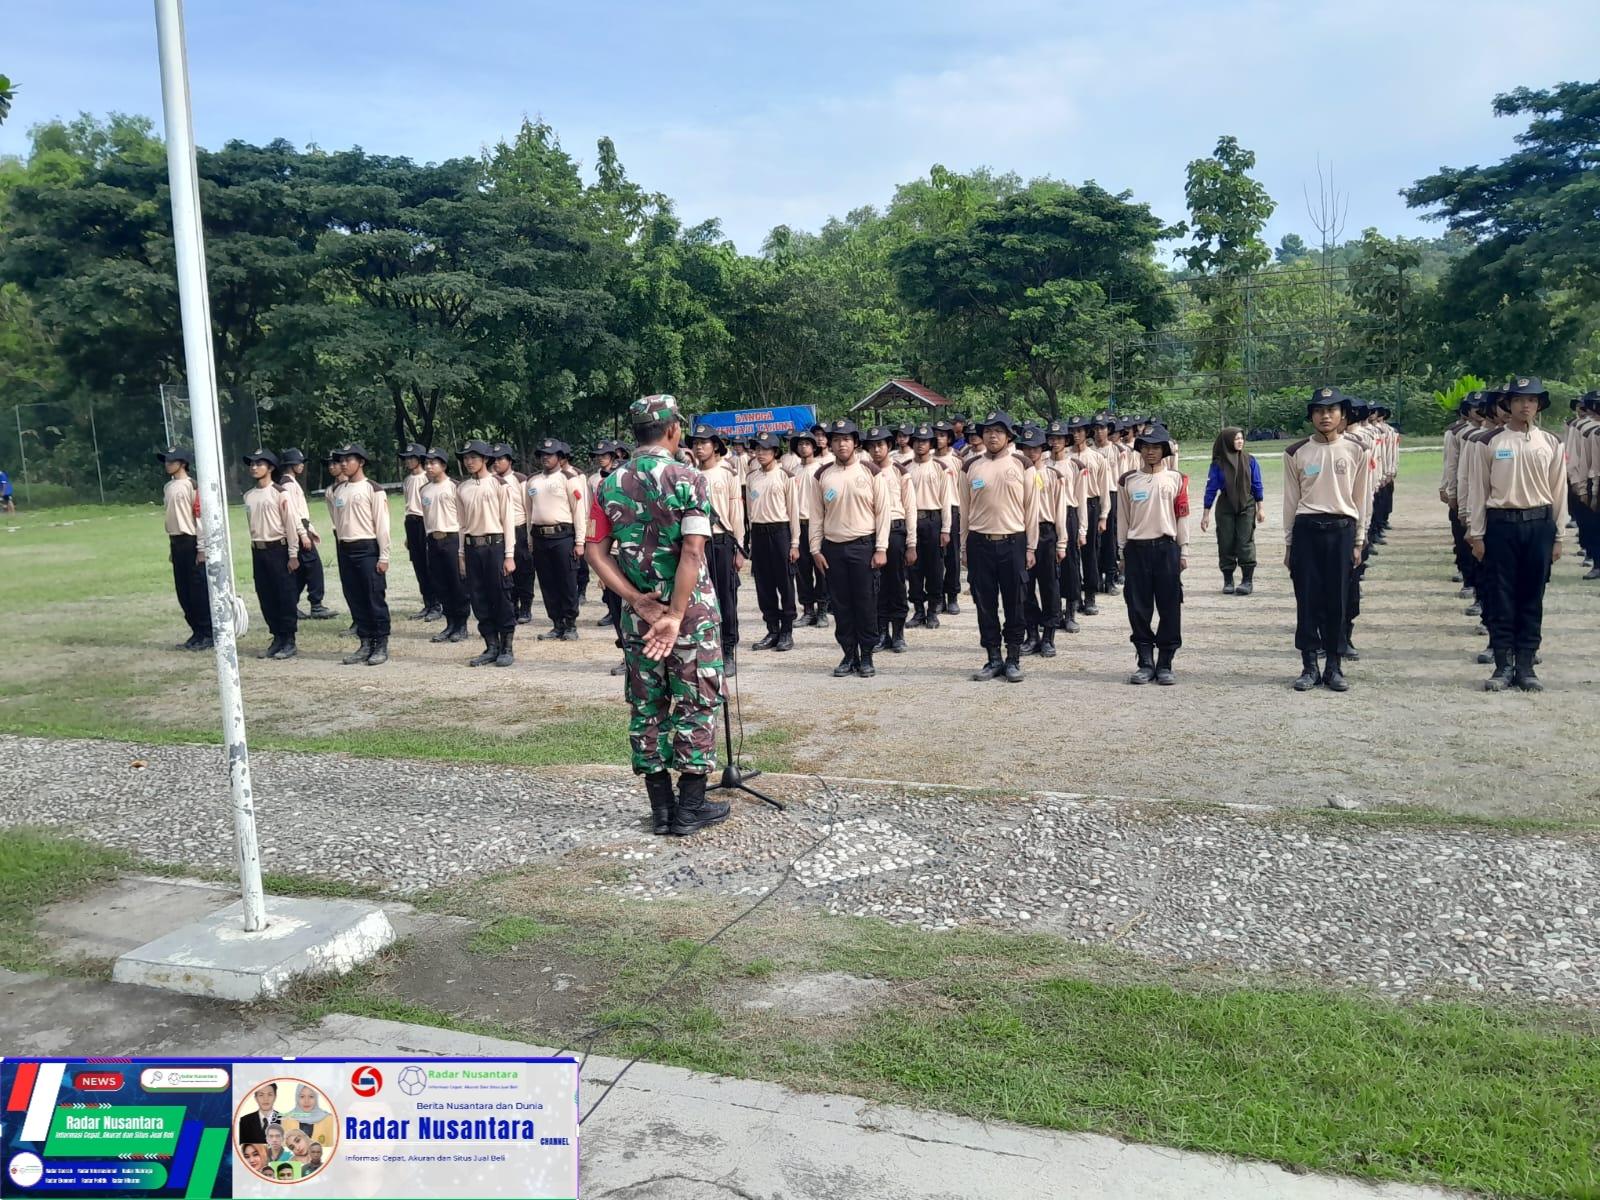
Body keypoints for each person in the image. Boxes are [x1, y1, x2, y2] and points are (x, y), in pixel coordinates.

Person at [585, 393, 729, 838]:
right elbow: (691, 551)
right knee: (696, 701)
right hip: (690, 618)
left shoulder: (608, 484)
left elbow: (594, 550)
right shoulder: (689, 479)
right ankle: (690, 807)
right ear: (672, 430)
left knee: (647, 705)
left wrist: (636, 600)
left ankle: (662, 809)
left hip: (639, 619)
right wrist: (675, 614)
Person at [1465, 376, 1567, 691]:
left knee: (1531, 597)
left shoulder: (1551, 442)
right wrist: (1477, 533)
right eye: (1520, 400)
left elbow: (1558, 491)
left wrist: (1559, 536)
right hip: (1500, 525)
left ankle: (1526, 665)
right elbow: (1477, 491)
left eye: (1532, 400)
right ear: (1507, 404)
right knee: (1500, 596)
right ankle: (1501, 665)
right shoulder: (1489, 442)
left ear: (1539, 405)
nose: (1526, 405)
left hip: (1539, 524)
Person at [1283, 388, 1371, 693]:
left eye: (1332, 410)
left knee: (1338, 598)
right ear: (1311, 416)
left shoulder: (1357, 450)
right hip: (1307, 529)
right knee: (1307, 599)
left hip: (1342, 529)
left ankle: (1334, 666)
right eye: (1319, 411)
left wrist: (1359, 540)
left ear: (1342, 415)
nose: (1325, 416)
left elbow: (1361, 499)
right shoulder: (1296, 452)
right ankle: (1309, 665)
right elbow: (1291, 502)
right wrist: (1289, 544)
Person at [810, 419, 892, 678]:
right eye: (835, 439)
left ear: (856, 443)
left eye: (846, 439)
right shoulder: (822, 474)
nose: (841, 443)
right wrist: (815, 549)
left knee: (866, 603)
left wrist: (881, 548)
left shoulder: (870, 471)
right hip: (833, 549)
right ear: (830, 445)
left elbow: (883, 512)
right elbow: (816, 515)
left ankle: (866, 656)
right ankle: (848, 654)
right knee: (841, 605)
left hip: (864, 546)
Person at [962, 410, 1038, 682]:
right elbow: (965, 509)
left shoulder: (1023, 464)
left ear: (1008, 436)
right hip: (980, 542)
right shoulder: (970, 466)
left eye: (998, 431)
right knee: (985, 603)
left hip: (1013, 542)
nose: (992, 436)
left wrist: (1031, 547)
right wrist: (963, 547)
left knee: (1015, 602)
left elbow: (1032, 509)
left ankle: (1013, 658)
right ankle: (993, 657)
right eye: (987, 431)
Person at [1118, 424, 1188, 684]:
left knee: (1170, 606)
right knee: (1138, 607)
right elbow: (1123, 519)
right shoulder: (1128, 480)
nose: (1150, 452)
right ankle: (1145, 660)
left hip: (1166, 547)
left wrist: (1184, 550)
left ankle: (1166, 661)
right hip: (1137, 549)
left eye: (1156, 447)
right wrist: (1122, 551)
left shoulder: (1176, 479)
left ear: (1165, 450)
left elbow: (1182, 517)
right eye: (1146, 446)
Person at [328, 445, 392, 665]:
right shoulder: (338, 490)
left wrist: (383, 556)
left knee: (373, 596)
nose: (344, 464)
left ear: (361, 462)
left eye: (349, 460)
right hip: (346, 549)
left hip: (367, 548)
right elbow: (337, 522)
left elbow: (382, 525)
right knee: (354, 597)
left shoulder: (372, 489)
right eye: (341, 460)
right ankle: (365, 642)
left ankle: (381, 643)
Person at [456, 440, 517, 667]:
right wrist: (461, 554)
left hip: (495, 546)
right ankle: (490, 646)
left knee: (500, 596)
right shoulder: (461, 488)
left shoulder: (499, 485)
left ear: (485, 459)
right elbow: (461, 525)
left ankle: (506, 646)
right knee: (479, 598)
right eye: (465, 458)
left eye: (473, 457)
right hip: (473, 548)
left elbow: (507, 521)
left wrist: (509, 555)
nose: (469, 462)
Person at [690, 424, 745, 670]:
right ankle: (706, 645)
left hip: (722, 541)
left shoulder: (727, 474)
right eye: (695, 443)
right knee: (700, 597)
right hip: (697, 543)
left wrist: (739, 548)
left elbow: (736, 512)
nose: (699, 447)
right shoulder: (690, 475)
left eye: (704, 443)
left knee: (726, 597)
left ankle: (729, 648)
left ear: (715, 446)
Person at [744, 431, 800, 652]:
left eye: (765, 449)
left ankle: (787, 630)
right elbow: (749, 512)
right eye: (757, 449)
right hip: (759, 533)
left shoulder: (785, 476)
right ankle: (772, 628)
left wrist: (794, 543)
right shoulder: (751, 477)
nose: (760, 453)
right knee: (763, 585)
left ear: (775, 452)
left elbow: (793, 512)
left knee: (784, 583)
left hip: (780, 532)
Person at [242, 449, 299, 661]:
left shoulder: (280, 492)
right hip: (259, 549)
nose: (254, 467)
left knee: (283, 594)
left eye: (259, 463)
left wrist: (293, 554)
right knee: (265, 595)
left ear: (271, 467)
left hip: (278, 547)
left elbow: (290, 524)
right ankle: (276, 635)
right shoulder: (249, 496)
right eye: (252, 464)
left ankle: (289, 638)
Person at [526, 438, 586, 642]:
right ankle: (556, 623)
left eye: (550, 455)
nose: (545, 458)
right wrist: (529, 539)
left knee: (567, 581)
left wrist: (579, 542)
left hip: (563, 537)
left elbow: (578, 511)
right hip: (540, 537)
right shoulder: (532, 481)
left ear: (560, 458)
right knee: (547, 583)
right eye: (542, 454)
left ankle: (570, 624)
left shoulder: (569, 479)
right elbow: (529, 512)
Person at [863, 425, 916, 653]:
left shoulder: (900, 472)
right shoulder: (863, 471)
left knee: (895, 584)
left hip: (895, 532)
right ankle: (881, 632)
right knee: (875, 585)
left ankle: (898, 633)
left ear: (889, 447)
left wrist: (911, 543)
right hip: (871, 533)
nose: (876, 450)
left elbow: (910, 508)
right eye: (872, 446)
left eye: (881, 445)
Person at [1017, 423, 1066, 657]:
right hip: (1022, 534)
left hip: (1046, 534)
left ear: (1042, 449)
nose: (1030, 453)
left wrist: (1062, 543)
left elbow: (1060, 510)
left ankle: (1048, 636)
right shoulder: (1016, 474)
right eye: (1026, 448)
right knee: (1023, 587)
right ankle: (1032, 634)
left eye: (1035, 448)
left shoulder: (1052, 475)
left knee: (1049, 587)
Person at [158, 445, 212, 651]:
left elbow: (198, 517)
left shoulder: (192, 486)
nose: (167, 464)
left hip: (190, 540)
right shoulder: (168, 487)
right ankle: (196, 631)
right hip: (176, 540)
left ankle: (207, 632)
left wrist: (201, 548)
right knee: (184, 591)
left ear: (182, 464)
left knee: (197, 589)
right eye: (166, 461)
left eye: (171, 461)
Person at [1201, 427, 1265, 594]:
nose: (1240, 441)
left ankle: (1247, 580)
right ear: (1227, 441)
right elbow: (1211, 488)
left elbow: (1257, 484)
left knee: (1245, 541)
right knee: (1226, 541)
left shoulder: (1250, 460)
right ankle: (1228, 579)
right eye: (1236, 438)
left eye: (1241, 438)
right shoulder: (1218, 464)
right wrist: (1205, 514)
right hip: (1225, 505)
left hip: (1247, 503)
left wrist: (1260, 508)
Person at [903, 423, 952, 629]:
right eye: (917, 441)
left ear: (931, 444)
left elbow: (946, 499)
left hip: (933, 521)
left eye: (925, 441)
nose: (920, 445)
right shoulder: (905, 468)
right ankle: (918, 610)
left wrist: (946, 529)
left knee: (934, 568)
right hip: (912, 521)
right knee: (913, 568)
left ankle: (933, 610)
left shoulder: (940, 467)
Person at [277, 449, 336, 621]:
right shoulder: (288, 484)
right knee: (314, 567)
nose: (302, 465)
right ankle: (316, 605)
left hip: (301, 527)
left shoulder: (290, 482)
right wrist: (303, 533)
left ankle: (291, 604)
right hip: (298, 529)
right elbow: (293, 513)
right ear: (291, 465)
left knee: (302, 571)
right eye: (299, 462)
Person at [419, 449, 471, 644]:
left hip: (452, 538)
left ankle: (462, 624)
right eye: (427, 463)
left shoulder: (455, 487)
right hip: (433, 539)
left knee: (457, 583)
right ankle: (449, 623)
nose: (429, 466)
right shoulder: (424, 490)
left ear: (443, 465)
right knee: (440, 583)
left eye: (433, 463)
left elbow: (462, 518)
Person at [1044, 419, 1088, 635]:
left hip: (1069, 514)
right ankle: (1054, 612)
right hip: (1047, 517)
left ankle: (1070, 611)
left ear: (1066, 440)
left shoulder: (1075, 466)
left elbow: (1081, 499)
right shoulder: (1042, 464)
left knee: (1070, 565)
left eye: (1059, 438)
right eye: (1052, 438)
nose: (1055, 442)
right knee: (1049, 568)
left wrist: (1082, 530)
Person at [489, 444, 535, 625]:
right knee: (505, 572)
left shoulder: (520, 480)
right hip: (500, 531)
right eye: (495, 459)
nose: (497, 463)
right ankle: (512, 606)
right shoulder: (491, 481)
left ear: (509, 461)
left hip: (519, 528)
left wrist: (529, 534)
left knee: (524, 570)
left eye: (501, 459)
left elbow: (528, 508)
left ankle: (526, 607)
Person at [788, 430, 830, 628]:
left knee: (821, 569)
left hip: (818, 525)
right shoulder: (792, 471)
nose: (803, 447)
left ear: (815, 447)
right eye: (800, 444)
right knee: (801, 570)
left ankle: (822, 609)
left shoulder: (823, 469)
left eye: (807, 443)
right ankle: (807, 610)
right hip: (798, 525)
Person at [1069, 417, 1108, 617]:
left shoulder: (1096, 458)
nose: (1076, 435)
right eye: (1073, 431)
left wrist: (1103, 515)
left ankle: (1090, 594)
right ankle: (1074, 596)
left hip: (1091, 505)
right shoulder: (1066, 456)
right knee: (1072, 554)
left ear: (1087, 433)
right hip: (1071, 507)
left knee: (1090, 552)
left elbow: (1103, 489)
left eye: (1080, 431)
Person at [399, 443, 441, 622]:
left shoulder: (426, 478)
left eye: (412, 458)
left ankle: (437, 604)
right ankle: (427, 602)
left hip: (425, 522)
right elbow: (408, 505)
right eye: (407, 458)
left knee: (430, 564)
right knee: (418, 565)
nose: (409, 461)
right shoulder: (408, 480)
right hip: (412, 522)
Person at [932, 420, 964, 614]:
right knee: (935, 558)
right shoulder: (927, 458)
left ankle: (952, 595)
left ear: (949, 438)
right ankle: (937, 597)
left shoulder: (957, 460)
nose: (938, 438)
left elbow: (962, 487)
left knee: (952, 556)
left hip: (952, 508)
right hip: (934, 510)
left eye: (942, 435)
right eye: (936, 434)